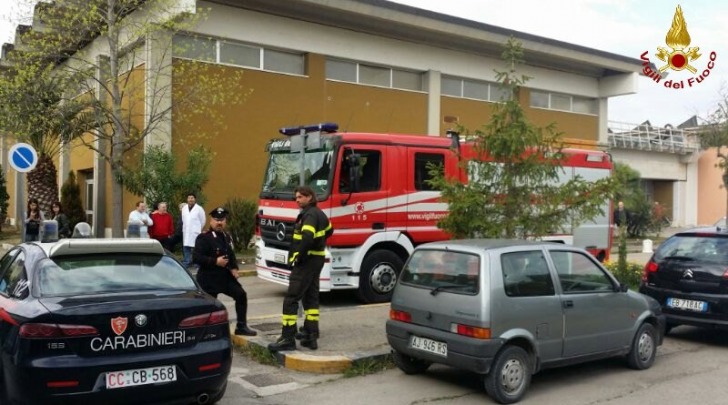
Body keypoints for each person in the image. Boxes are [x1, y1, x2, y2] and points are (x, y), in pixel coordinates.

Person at [268, 186, 333, 352]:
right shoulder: (319, 213)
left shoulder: (309, 214)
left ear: (310, 197)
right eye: (296, 197)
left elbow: (307, 237)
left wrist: (297, 255)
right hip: (316, 259)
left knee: (291, 298)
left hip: (306, 261)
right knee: (311, 298)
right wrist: (319, 243)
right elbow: (329, 230)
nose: (296, 200)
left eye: (300, 197)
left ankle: (287, 338)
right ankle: (310, 335)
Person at [193, 207, 257, 336]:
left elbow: (230, 254)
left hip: (224, 276)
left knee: (241, 295)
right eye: (216, 220)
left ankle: (241, 326)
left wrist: (234, 268)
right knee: (210, 306)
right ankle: (206, 332)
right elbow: (196, 258)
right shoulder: (204, 237)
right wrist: (215, 261)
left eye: (222, 220)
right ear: (211, 221)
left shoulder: (226, 236)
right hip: (208, 277)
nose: (219, 223)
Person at [182, 193, 206, 269]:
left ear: (195, 199)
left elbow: (203, 220)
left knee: (196, 249)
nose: (190, 199)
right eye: (189, 198)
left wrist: (198, 228)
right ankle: (187, 262)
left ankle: (197, 263)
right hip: (186, 231)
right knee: (186, 248)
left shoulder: (199, 209)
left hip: (195, 232)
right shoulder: (184, 208)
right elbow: (183, 219)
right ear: (187, 199)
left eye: (192, 198)